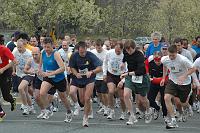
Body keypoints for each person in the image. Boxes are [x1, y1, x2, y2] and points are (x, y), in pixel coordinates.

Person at [38, 37, 72, 122]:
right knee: (42, 93)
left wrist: (51, 73)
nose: (46, 49)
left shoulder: (56, 54)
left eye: (48, 47)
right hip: (48, 77)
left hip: (59, 78)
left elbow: (62, 68)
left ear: (52, 46)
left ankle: (68, 112)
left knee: (63, 98)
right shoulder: (43, 53)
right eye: (45, 47)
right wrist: (39, 70)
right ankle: (49, 109)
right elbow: (40, 63)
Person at [160, 45, 195, 129]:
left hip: (184, 82)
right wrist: (164, 78)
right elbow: (165, 66)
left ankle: (188, 106)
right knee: (166, 98)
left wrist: (184, 76)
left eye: (173, 55)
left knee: (182, 103)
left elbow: (193, 68)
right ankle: (173, 120)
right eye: (170, 55)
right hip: (173, 81)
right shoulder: (165, 59)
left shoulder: (183, 59)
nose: (171, 57)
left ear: (177, 53)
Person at [69, 41, 102, 127]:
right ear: (78, 50)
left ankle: (85, 118)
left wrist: (92, 72)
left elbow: (100, 68)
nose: (82, 54)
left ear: (86, 49)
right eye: (80, 52)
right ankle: (89, 107)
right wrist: (76, 73)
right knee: (82, 100)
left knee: (87, 98)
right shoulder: (74, 56)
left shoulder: (91, 55)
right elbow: (72, 67)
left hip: (89, 79)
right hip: (79, 79)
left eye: (84, 52)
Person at [121, 39, 152, 125]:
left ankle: (148, 110)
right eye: (127, 50)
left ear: (134, 48)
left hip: (141, 77)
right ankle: (132, 116)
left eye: (130, 49)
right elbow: (125, 57)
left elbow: (141, 70)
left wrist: (127, 73)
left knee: (143, 99)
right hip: (130, 77)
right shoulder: (126, 52)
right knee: (126, 95)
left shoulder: (139, 55)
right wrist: (123, 63)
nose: (128, 51)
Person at [103, 41, 126, 120]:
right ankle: (112, 110)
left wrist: (122, 80)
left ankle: (123, 112)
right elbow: (105, 63)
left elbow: (128, 70)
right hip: (111, 74)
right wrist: (104, 73)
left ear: (122, 49)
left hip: (121, 75)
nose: (117, 52)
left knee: (122, 97)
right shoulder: (109, 53)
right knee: (111, 91)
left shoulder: (125, 55)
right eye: (116, 50)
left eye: (119, 51)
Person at [12, 39, 33, 115]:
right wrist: (13, 71)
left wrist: (30, 71)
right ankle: (31, 107)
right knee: (25, 92)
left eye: (20, 47)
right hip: (19, 74)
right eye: (18, 47)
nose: (19, 49)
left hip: (28, 74)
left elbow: (33, 64)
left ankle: (25, 106)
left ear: (24, 45)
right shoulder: (15, 52)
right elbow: (12, 61)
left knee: (20, 88)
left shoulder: (29, 53)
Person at [0, 34, 17, 120]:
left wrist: (3, 68)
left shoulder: (4, 49)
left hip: (5, 73)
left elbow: (14, 61)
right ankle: (1, 112)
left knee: (5, 95)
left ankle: (12, 100)